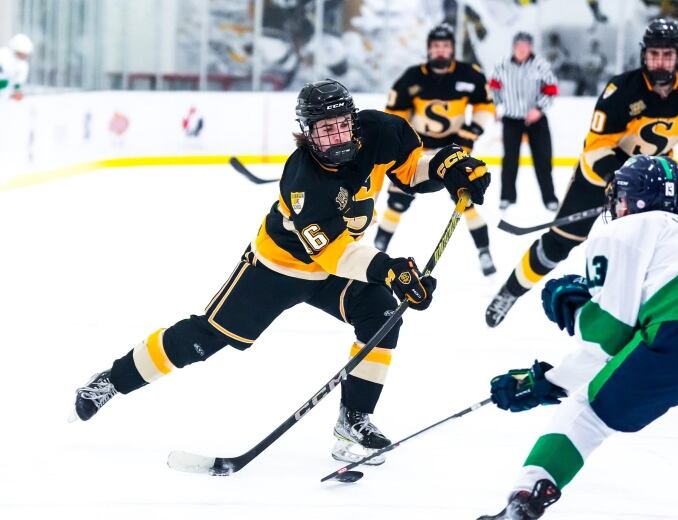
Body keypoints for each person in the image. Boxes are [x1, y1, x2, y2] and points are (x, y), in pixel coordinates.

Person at [71, 79, 490, 465]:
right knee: (203, 339)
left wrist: (446, 169)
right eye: (323, 130)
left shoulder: (379, 131)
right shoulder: (303, 179)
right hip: (278, 268)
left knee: (380, 315)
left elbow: (410, 168)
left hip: (338, 263)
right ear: (307, 133)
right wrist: (390, 270)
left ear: (352, 120)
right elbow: (334, 256)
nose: (336, 137)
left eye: (341, 126)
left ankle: (353, 421)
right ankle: (111, 379)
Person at [479, 155, 678, 519]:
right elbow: (642, 317)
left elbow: (610, 339)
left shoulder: (621, 230)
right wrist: (581, 314)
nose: (616, 203)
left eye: (620, 195)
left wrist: (546, 382)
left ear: (632, 198)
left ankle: (524, 502)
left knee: (586, 413)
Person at [485, 18, 678, 328]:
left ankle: (655, 317)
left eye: (667, 54)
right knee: (558, 245)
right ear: (644, 55)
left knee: (663, 247)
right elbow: (595, 149)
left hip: (654, 180)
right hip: (600, 177)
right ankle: (510, 291)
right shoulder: (621, 92)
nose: (661, 61)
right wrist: (619, 182)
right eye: (654, 54)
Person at [377, 23, 498, 276]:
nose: (440, 51)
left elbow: (485, 106)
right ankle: (379, 248)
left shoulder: (469, 74)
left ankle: (484, 251)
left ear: (452, 49)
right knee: (397, 200)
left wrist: (472, 130)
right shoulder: (412, 77)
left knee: (466, 199)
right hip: (417, 150)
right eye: (435, 46)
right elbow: (393, 114)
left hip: (453, 149)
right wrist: (402, 141)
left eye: (445, 46)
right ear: (428, 50)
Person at [489, 32, 558, 212]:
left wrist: (539, 108)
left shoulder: (540, 65)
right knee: (510, 160)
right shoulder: (502, 65)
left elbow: (551, 88)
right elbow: (493, 87)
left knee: (543, 160)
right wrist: (497, 106)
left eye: (525, 45)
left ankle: (549, 198)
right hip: (511, 119)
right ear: (513, 47)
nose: (521, 49)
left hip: (536, 119)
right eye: (518, 45)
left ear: (530, 48)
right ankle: (507, 197)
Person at [0, 33, 33, 101]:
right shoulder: (3, 56)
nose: (23, 57)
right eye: (21, 54)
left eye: (25, 55)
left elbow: (18, 83)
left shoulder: (23, 65)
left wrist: (17, 92)